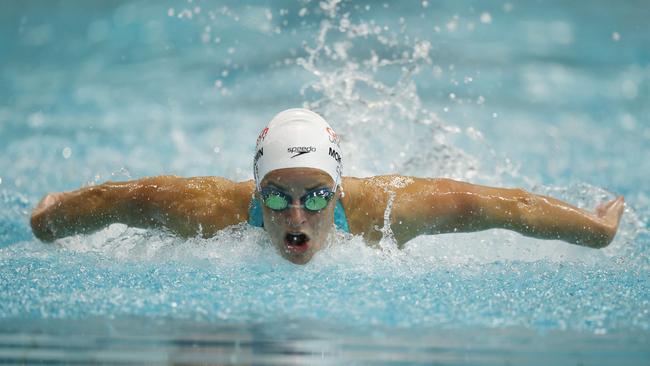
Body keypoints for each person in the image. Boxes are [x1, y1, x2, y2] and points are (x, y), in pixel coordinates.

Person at [30, 108, 625, 264]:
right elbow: (120, 200)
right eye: (276, 194)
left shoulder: (386, 209)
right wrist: (50, 218)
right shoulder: (208, 210)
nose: (295, 214)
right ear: (254, 191)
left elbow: (502, 206)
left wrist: (595, 232)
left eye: (315, 195)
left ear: (337, 193)